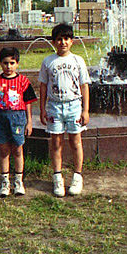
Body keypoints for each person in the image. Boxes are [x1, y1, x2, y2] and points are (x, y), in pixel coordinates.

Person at [39, 23, 91, 197]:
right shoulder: (48, 61)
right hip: (54, 106)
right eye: (59, 39)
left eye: (66, 39)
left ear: (72, 41)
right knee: (56, 143)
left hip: (74, 105)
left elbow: (84, 86)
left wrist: (85, 110)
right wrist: (42, 109)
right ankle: (57, 177)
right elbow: (43, 86)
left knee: (75, 141)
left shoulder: (78, 60)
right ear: (54, 42)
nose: (63, 42)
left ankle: (77, 176)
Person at [0, 47, 37, 197]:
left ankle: (18, 181)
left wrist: (29, 122)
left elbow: (28, 103)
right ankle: (5, 182)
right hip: (0, 119)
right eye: (5, 63)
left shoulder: (23, 82)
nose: (8, 66)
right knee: (4, 150)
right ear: (0, 63)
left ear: (17, 63)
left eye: (12, 63)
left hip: (18, 118)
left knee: (18, 149)